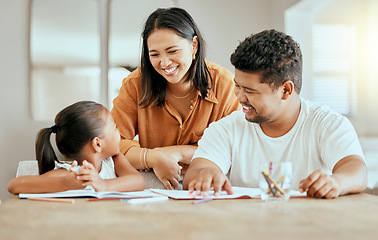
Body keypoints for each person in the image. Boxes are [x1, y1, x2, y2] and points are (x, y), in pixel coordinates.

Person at [183, 29, 367, 199]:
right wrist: (204, 174)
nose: (238, 96)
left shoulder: (327, 124)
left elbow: (356, 169)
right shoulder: (225, 129)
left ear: (286, 90)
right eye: (237, 85)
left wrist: (337, 181)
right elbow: (196, 171)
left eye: (250, 91)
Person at [111, 7, 240, 190]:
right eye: (154, 54)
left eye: (172, 51)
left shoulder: (224, 84)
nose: (164, 63)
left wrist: (176, 153)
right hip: (155, 181)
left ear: (194, 45)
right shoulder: (135, 84)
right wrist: (154, 158)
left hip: (211, 181)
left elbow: (233, 148)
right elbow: (112, 144)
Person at [8, 101, 145, 194]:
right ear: (97, 144)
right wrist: (66, 183)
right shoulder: (70, 174)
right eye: (115, 128)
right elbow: (14, 185)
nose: (119, 132)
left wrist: (103, 185)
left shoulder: (114, 160)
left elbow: (138, 182)